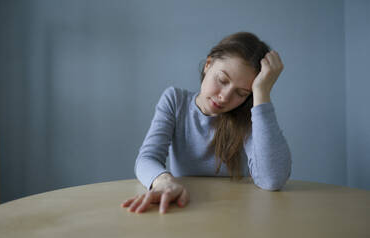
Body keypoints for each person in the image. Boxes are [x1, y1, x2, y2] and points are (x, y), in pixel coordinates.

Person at [121, 31, 292, 214]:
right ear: (208, 64)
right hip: (185, 208)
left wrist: (262, 93)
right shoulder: (175, 101)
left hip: (235, 212)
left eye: (241, 93)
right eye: (222, 80)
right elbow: (147, 158)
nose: (225, 97)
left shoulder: (250, 116)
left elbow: (272, 179)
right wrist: (164, 182)